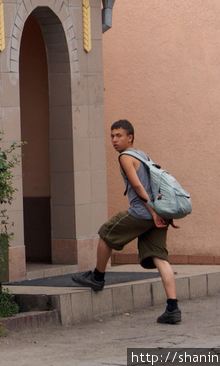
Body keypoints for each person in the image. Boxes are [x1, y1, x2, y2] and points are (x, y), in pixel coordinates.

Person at [71, 119, 182, 324]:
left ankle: (97, 277)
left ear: (130, 137)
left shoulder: (125, 157)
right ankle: (172, 307)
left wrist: (154, 212)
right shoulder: (144, 155)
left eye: (119, 135)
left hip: (143, 213)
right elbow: (157, 186)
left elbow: (139, 188)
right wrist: (165, 214)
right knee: (160, 258)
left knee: (106, 232)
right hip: (158, 215)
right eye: (112, 136)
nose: (114, 140)